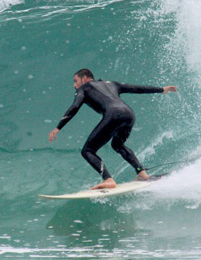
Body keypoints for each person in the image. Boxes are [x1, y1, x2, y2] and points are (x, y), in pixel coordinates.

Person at [48, 68, 177, 190]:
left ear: (85, 78)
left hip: (113, 115)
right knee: (118, 145)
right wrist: (161, 89)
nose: (74, 85)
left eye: (76, 81)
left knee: (87, 151)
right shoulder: (111, 84)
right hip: (129, 114)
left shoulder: (85, 88)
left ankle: (108, 179)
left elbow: (75, 106)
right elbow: (135, 88)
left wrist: (58, 127)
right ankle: (142, 173)